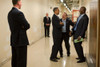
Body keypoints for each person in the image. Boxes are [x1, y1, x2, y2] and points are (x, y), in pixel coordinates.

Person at [8, 0, 30, 67]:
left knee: (15, 59)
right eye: (21, 2)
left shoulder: (10, 13)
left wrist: (21, 27)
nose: (21, 4)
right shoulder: (19, 13)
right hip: (21, 41)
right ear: (18, 2)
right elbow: (27, 25)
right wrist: (22, 27)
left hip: (14, 39)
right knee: (21, 60)